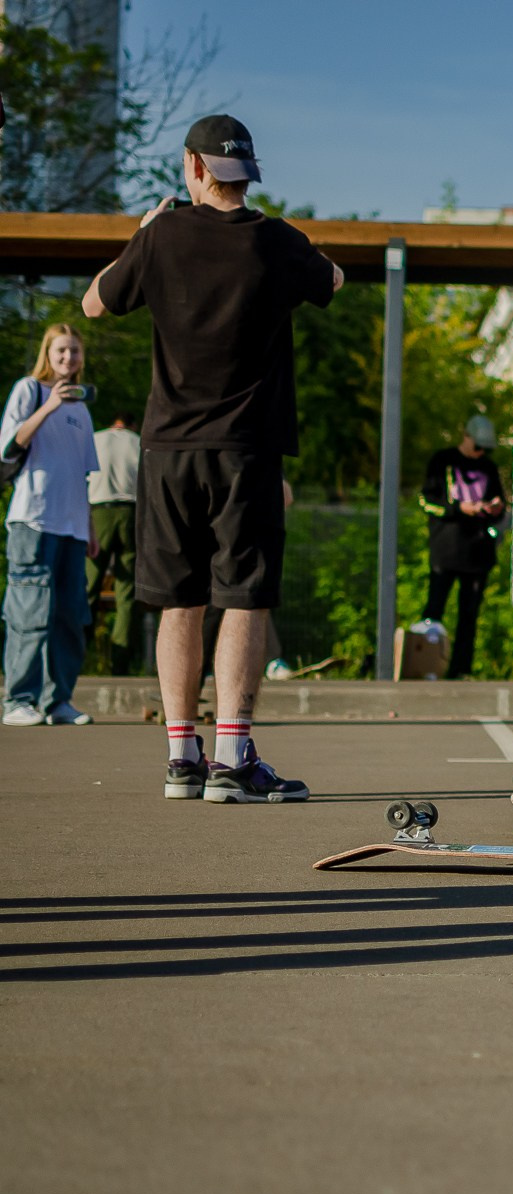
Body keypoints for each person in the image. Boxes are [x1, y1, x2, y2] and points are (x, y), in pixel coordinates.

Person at [84, 115, 341, 800]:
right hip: (246, 451)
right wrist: (300, 255)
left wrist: (141, 234)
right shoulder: (277, 242)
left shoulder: (161, 236)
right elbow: (335, 280)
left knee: (180, 603)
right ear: (246, 173)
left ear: (194, 168)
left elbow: (95, 303)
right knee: (244, 599)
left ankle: (181, 760)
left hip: (168, 450)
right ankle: (233, 756)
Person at [2, 324, 98, 726]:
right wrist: (48, 406)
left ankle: (58, 700)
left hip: (74, 526)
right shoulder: (30, 390)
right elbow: (10, 444)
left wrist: (90, 526)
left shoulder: (83, 410)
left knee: (70, 616)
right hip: (34, 519)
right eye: (61, 351)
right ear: (48, 353)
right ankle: (17, 700)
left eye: (74, 352)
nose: (68, 359)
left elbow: (85, 473)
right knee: (29, 613)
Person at [418, 414, 507, 679]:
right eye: (477, 446)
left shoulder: (489, 468)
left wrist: (496, 509)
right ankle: (426, 665)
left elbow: (500, 505)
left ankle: (460, 670)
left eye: (485, 449)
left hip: (478, 552)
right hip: (447, 549)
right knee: (434, 609)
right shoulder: (443, 460)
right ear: (466, 436)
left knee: (469, 615)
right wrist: (459, 508)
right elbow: (426, 501)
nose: (480, 453)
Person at [85, 406, 140, 675]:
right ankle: (120, 665)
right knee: (126, 591)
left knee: (89, 586)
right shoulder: (139, 443)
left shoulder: (95, 438)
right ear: (132, 425)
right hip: (131, 513)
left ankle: (77, 658)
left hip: (98, 513)